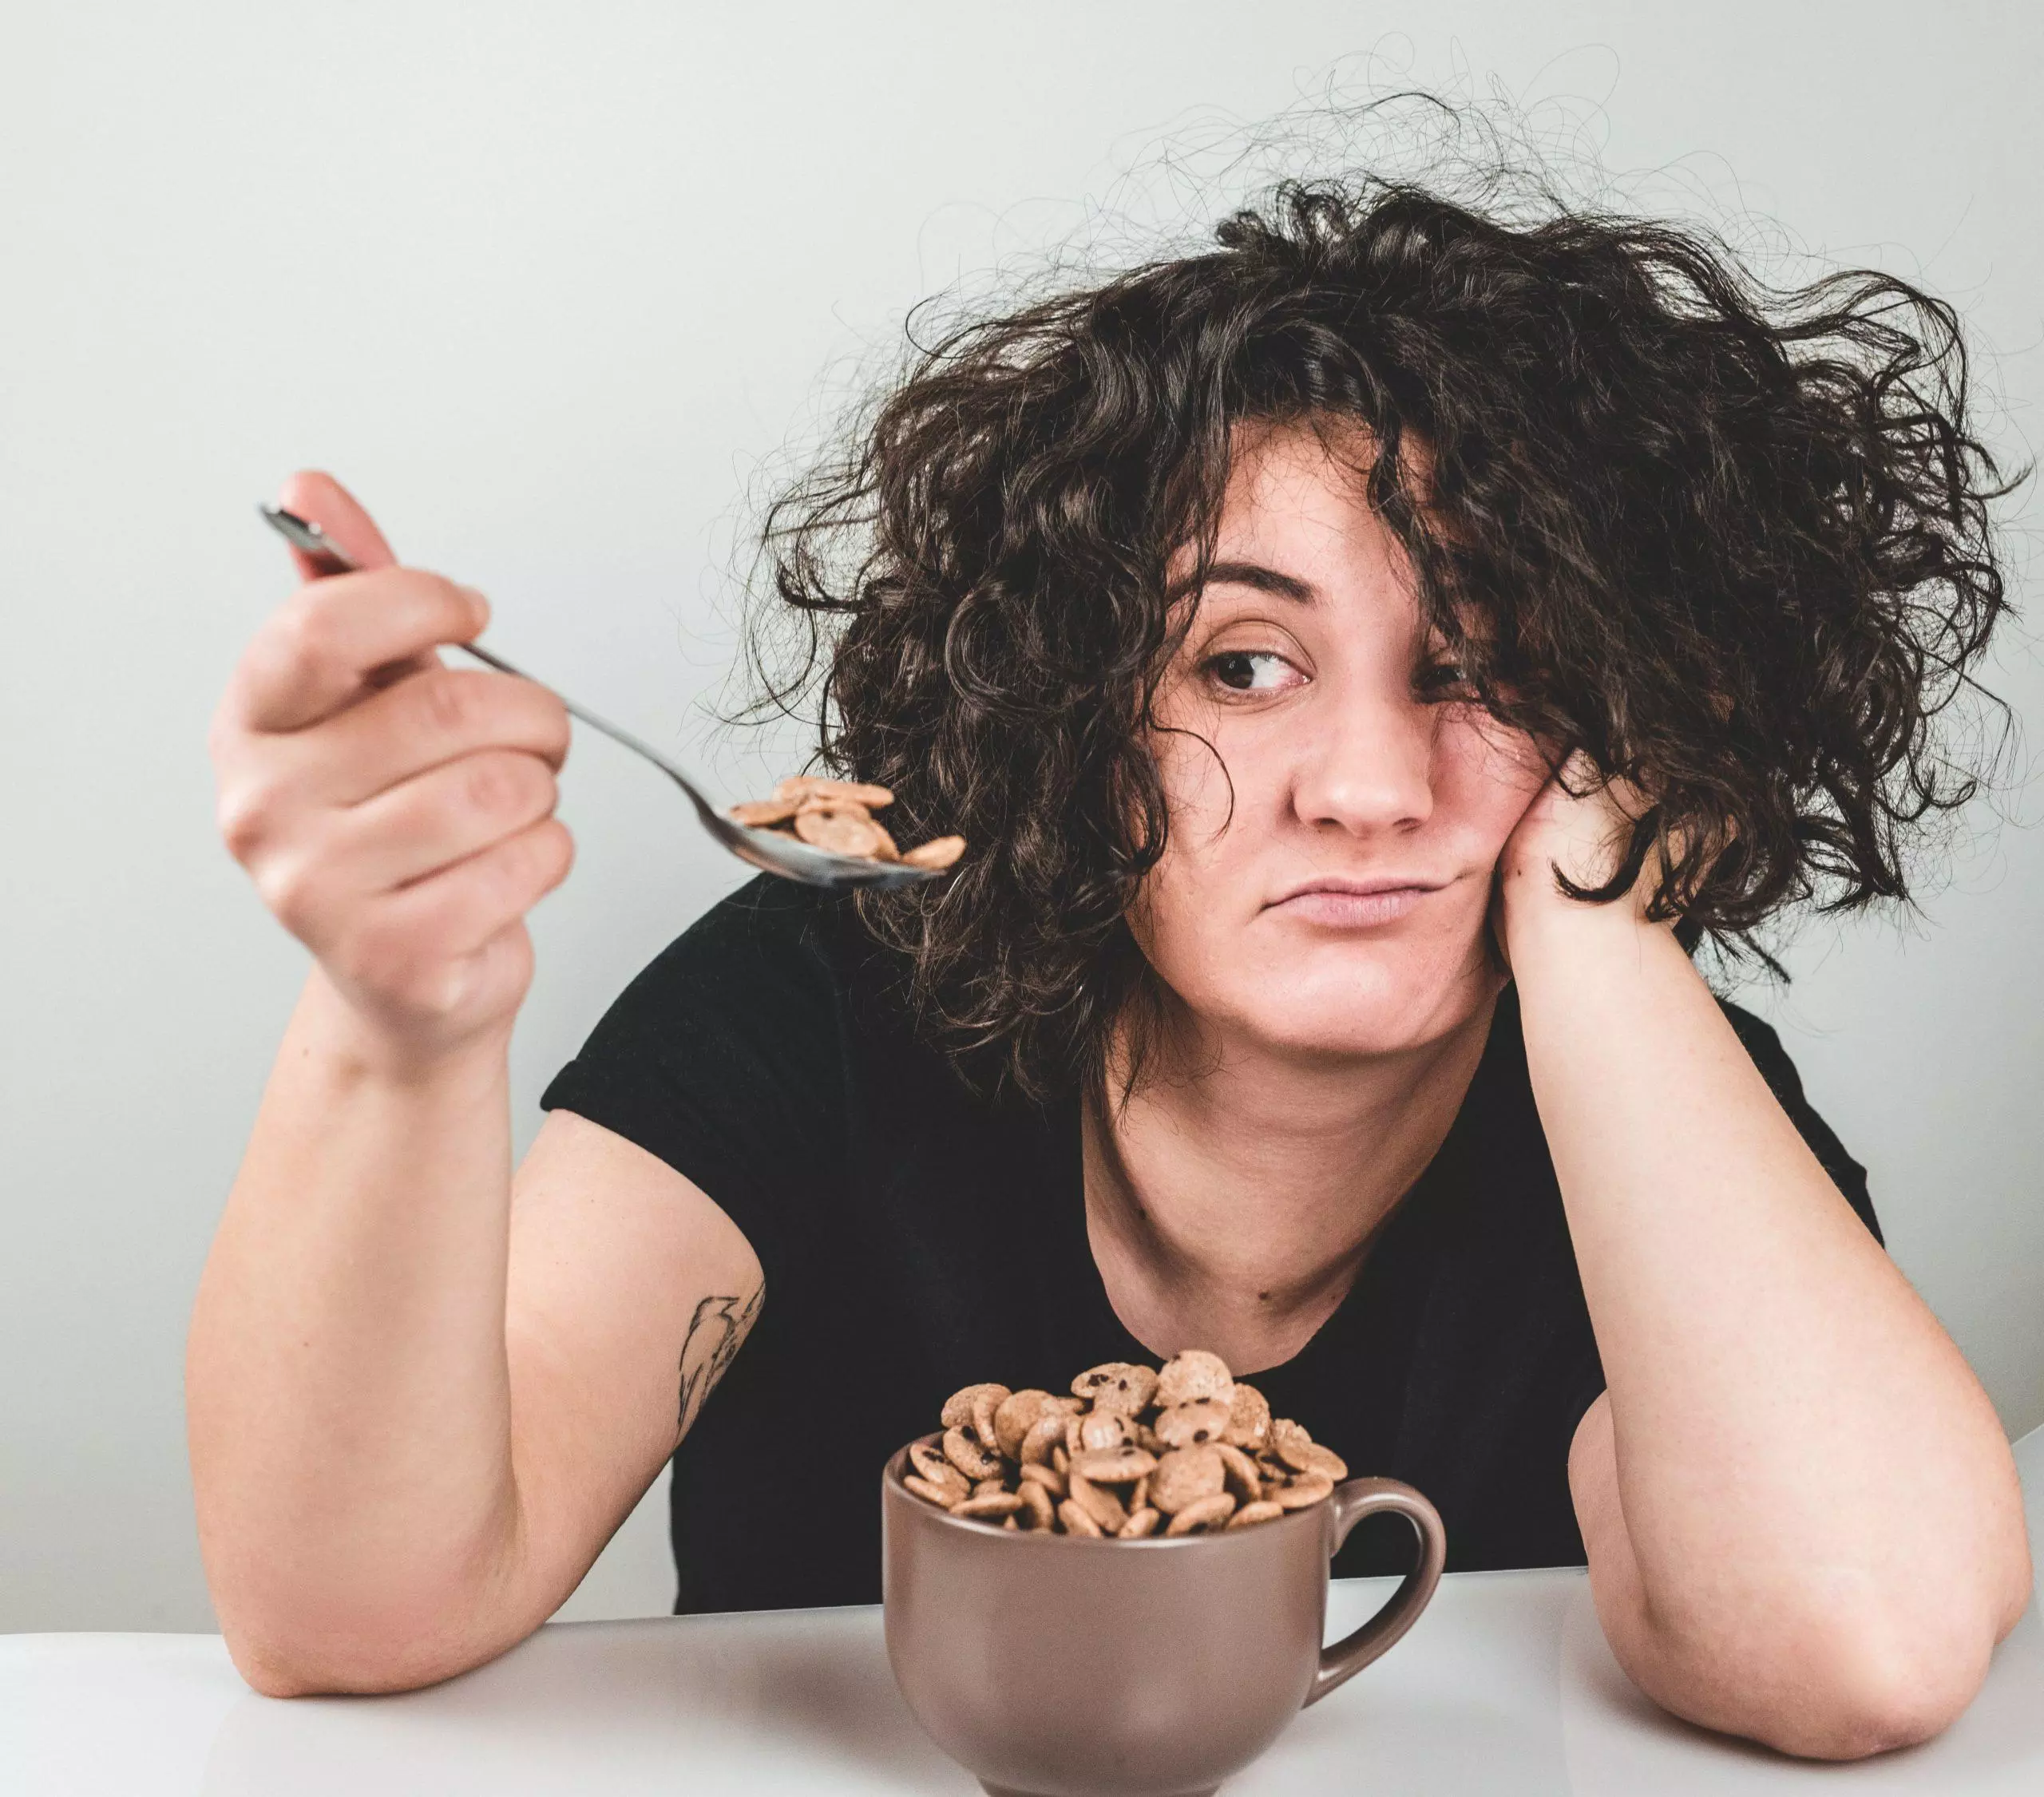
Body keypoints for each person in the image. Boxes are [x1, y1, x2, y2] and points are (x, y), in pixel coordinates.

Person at [190, 176, 2031, 1757]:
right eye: (1240, 665)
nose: (1370, 790)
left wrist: (1605, 912)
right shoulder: (815, 1002)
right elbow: (346, 1613)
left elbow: (1852, 1647)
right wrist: (394, 1026)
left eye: (1484, 665)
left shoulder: (1655, 1112)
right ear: (1076, 713)